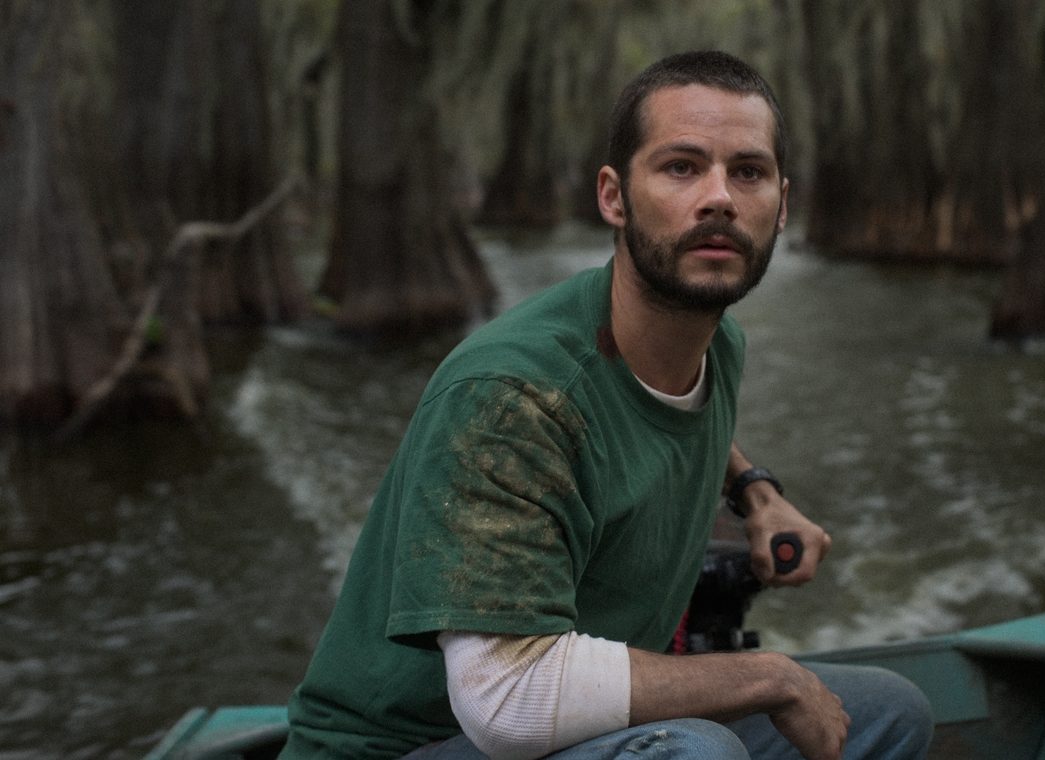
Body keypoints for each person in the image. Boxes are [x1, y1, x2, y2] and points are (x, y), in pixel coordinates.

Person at [279, 50, 933, 760]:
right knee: (693, 753)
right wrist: (768, 676)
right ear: (613, 197)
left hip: (577, 729)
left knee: (890, 712)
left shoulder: (717, 347)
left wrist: (754, 489)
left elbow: (658, 413)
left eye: (746, 172)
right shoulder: (510, 397)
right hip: (413, 745)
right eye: (681, 167)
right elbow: (507, 701)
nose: (718, 197)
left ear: (781, 206)